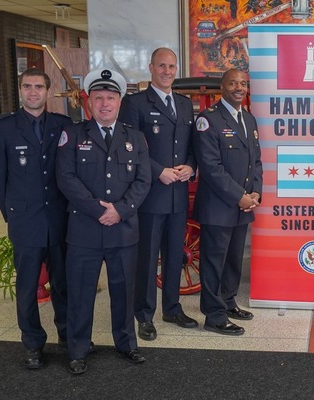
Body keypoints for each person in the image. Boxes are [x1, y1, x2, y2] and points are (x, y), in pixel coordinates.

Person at [56, 69, 152, 375]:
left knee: (123, 291)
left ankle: (126, 344)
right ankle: (78, 349)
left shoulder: (135, 138)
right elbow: (66, 178)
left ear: (119, 102)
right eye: (98, 98)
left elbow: (143, 180)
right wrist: (97, 210)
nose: (105, 104)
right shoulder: (73, 135)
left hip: (123, 230)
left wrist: (120, 210)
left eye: (111, 98)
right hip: (84, 230)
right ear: (89, 102)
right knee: (81, 292)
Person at [0, 68, 71, 369]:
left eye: (39, 87)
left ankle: (67, 334)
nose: (33, 92)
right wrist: (12, 211)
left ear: (48, 91)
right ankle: (33, 343)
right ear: (20, 90)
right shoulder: (4, 128)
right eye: (27, 86)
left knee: (63, 283)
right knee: (27, 286)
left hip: (58, 219)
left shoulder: (62, 125)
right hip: (25, 222)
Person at [119, 47, 198, 341]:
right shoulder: (135, 103)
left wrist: (190, 166)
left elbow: (192, 145)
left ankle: (172, 308)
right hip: (150, 194)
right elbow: (128, 147)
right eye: (162, 66)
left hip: (178, 194)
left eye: (171, 66)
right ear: (151, 67)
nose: (167, 71)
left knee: (175, 255)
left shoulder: (185, 104)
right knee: (148, 257)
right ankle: (144, 315)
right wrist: (157, 171)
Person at [193, 69, 262, 336]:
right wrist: (240, 197)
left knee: (233, 259)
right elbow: (211, 167)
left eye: (243, 83)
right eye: (232, 83)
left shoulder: (249, 119)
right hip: (218, 206)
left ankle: (228, 302)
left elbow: (256, 162)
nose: (239, 88)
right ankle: (214, 315)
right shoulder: (208, 119)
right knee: (214, 263)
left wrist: (255, 194)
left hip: (243, 206)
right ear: (222, 87)